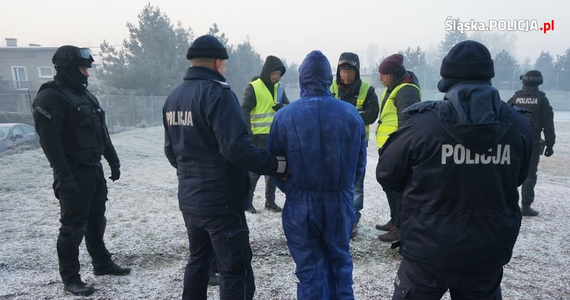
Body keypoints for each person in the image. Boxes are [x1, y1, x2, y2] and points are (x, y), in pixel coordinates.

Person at [376, 40, 532, 300]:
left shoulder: (422, 124)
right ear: (489, 75)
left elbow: (388, 173)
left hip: (427, 247)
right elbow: (518, 177)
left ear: (446, 76)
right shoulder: (518, 124)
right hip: (487, 248)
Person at [162, 35, 287, 300]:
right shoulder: (218, 94)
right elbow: (236, 149)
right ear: (219, 63)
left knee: (198, 261)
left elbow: (170, 151)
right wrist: (275, 164)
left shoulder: (173, 98)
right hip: (221, 202)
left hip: (191, 200)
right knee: (234, 269)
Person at [267, 50, 366, 300]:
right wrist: (345, 189)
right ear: (328, 78)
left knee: (310, 269)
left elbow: (275, 163)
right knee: (340, 266)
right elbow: (359, 164)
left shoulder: (285, 116)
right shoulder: (350, 114)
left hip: (301, 205)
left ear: (302, 79)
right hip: (338, 202)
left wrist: (293, 190)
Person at [33, 45, 131, 296]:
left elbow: (102, 132)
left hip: (93, 169)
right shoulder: (50, 97)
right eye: (82, 68)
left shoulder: (87, 97)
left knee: (97, 220)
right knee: (73, 227)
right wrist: (65, 177)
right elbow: (50, 143)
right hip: (73, 172)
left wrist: (113, 160)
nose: (86, 74)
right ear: (67, 69)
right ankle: (71, 278)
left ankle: (102, 263)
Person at [330, 52, 379, 238]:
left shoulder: (367, 90)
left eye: (350, 71)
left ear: (356, 72)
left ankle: (352, 219)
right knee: (334, 181)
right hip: (333, 143)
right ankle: (336, 217)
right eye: (343, 70)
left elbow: (372, 114)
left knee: (356, 184)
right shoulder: (330, 87)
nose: (346, 75)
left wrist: (346, 114)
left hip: (357, 144)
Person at [374, 54, 421, 243]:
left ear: (392, 75)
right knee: (389, 186)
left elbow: (407, 123)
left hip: (397, 148)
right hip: (388, 146)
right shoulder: (395, 87)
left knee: (399, 189)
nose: (380, 79)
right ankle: (394, 221)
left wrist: (402, 149)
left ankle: (400, 228)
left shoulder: (406, 90)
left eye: (383, 75)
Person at [241, 55, 290, 213]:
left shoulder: (279, 88)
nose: (276, 77)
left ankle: (270, 201)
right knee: (255, 171)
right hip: (258, 136)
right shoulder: (254, 87)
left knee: (274, 169)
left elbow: (289, 108)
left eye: (279, 74)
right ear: (267, 71)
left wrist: (281, 107)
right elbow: (244, 110)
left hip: (276, 136)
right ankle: (247, 201)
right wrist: (248, 133)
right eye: (274, 73)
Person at [507, 70, 556, 216]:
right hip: (533, 141)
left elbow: (503, 116)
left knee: (511, 171)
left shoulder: (515, 98)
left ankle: (509, 203)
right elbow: (548, 125)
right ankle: (526, 206)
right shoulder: (542, 100)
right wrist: (550, 144)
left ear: (524, 81)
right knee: (530, 173)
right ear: (539, 82)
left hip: (515, 140)